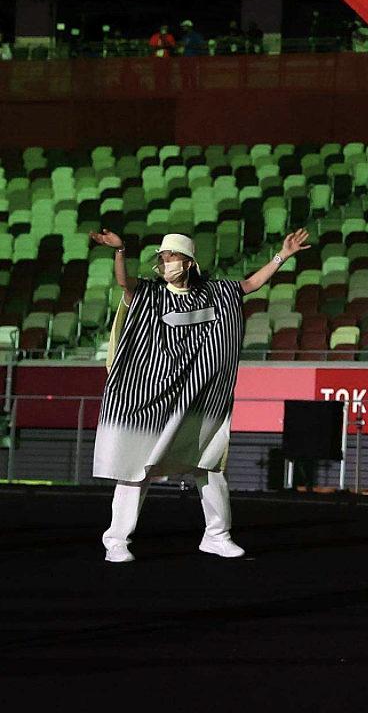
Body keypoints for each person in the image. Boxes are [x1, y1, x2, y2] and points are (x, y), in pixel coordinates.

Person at [89, 227, 311, 563]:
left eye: (172, 257)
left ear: (190, 262)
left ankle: (217, 536)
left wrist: (283, 255)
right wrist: (120, 250)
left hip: (198, 398)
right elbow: (125, 283)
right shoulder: (151, 294)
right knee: (136, 467)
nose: (166, 264)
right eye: (162, 259)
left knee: (209, 464)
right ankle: (117, 541)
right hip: (152, 397)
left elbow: (250, 285)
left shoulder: (215, 293)